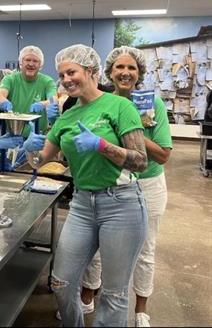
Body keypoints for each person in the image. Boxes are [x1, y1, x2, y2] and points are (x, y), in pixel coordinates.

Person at [22, 44, 149, 327]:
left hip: (121, 204)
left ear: (90, 71)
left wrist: (102, 145)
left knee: (114, 293)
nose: (65, 79)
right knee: (61, 281)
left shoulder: (120, 106)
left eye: (71, 72)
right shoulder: (66, 116)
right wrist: (29, 149)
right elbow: (41, 160)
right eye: (61, 75)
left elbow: (141, 161)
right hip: (82, 204)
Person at [79, 46, 172, 327]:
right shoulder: (102, 102)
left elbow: (164, 154)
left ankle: (141, 310)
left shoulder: (152, 104)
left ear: (139, 74)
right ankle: (86, 298)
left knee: (145, 249)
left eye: (132, 68)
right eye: (119, 67)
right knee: (96, 247)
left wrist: (135, 129)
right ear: (109, 72)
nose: (125, 72)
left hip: (149, 185)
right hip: (114, 183)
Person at [0, 45, 58, 137]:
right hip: (12, 134)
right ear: (21, 62)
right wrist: (4, 102)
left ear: (41, 64)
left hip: (37, 136)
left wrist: (43, 104)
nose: (31, 64)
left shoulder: (47, 81)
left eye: (35, 61)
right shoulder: (10, 79)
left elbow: (54, 99)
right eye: (27, 60)